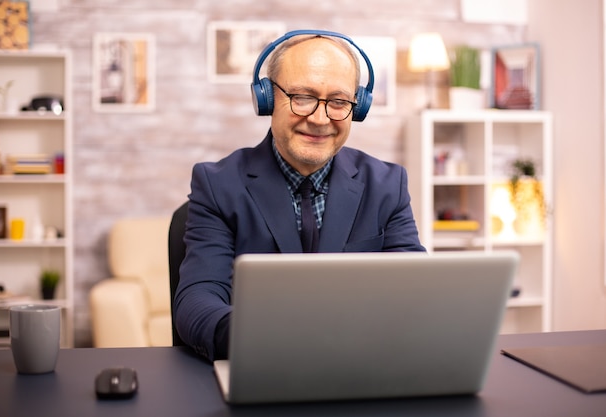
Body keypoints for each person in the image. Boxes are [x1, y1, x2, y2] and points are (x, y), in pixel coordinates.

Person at [174, 30, 426, 361]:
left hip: (359, 365)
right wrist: (259, 338)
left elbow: (414, 293)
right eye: (302, 97)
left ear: (357, 107)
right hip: (262, 364)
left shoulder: (387, 185)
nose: (320, 119)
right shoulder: (217, 184)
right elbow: (197, 298)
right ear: (266, 99)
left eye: (338, 102)